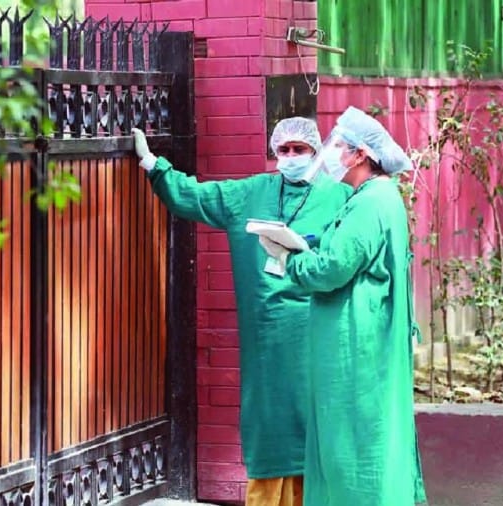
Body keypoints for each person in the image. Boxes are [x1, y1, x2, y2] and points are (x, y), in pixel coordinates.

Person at [131, 118, 351, 506]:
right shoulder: (252, 193)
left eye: (300, 149)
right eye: (284, 149)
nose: (291, 156)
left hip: (317, 328)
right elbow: (197, 196)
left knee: (317, 416)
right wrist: (153, 164)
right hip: (265, 334)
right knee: (268, 419)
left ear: (315, 151)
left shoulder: (339, 197)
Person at [259, 107, 427, 506]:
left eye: (338, 146)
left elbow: (333, 268)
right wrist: (311, 244)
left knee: (351, 445)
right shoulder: (376, 197)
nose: (330, 153)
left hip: (356, 352)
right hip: (366, 344)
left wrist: (289, 259)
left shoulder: (371, 203)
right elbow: (347, 248)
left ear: (360, 154)